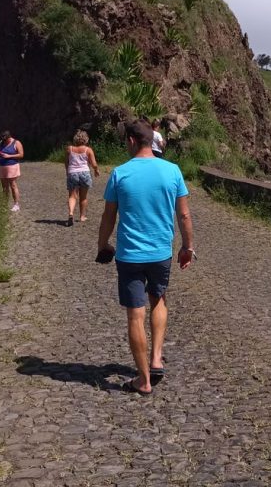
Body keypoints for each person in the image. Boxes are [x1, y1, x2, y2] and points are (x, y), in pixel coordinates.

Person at [97, 119, 194, 396]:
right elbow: (184, 214)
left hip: (129, 255)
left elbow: (108, 216)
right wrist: (187, 247)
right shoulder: (173, 171)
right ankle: (156, 358)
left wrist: (103, 245)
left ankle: (143, 380)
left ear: (130, 140)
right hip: (161, 253)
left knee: (135, 316)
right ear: (151, 140)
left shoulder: (120, 174)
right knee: (159, 299)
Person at [66, 129, 100, 227]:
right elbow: (94, 164)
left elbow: (66, 163)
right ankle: (82, 216)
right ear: (86, 139)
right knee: (83, 197)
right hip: (84, 173)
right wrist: (96, 170)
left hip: (72, 173)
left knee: (72, 196)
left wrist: (67, 172)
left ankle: (71, 213)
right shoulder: (88, 150)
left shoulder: (69, 149)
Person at [0, 131, 24, 212]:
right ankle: (4, 204)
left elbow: (21, 155)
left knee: (13, 185)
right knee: (4, 186)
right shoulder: (1, 142)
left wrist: (9, 156)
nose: (4, 141)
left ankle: (16, 204)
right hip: (2, 166)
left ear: (9, 137)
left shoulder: (16, 142)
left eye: (5, 140)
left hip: (12, 166)